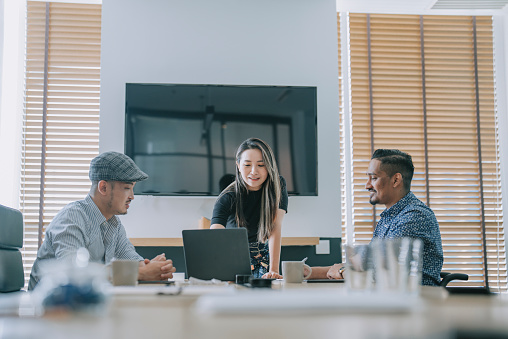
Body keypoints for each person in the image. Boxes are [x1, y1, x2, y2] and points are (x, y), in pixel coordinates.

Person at [28, 151, 176, 290]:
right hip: (49, 309)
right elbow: (74, 273)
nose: (132, 196)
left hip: (84, 304)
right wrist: (141, 273)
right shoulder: (71, 217)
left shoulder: (114, 224)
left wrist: (154, 267)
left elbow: (132, 261)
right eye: (126, 188)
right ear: (103, 187)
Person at [309, 149, 443, 286]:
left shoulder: (414, 217)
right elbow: (364, 263)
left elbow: (381, 273)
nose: (367, 185)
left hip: (413, 302)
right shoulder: (390, 216)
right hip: (390, 298)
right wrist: (308, 272)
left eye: (373, 178)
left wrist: (342, 270)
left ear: (396, 180)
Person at [211, 138, 288, 279]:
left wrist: (274, 270)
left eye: (261, 165)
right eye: (247, 165)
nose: (254, 172)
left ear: (269, 166)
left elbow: (275, 227)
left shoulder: (278, 186)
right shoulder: (227, 196)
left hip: (262, 253)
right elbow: (216, 234)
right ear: (238, 166)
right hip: (233, 254)